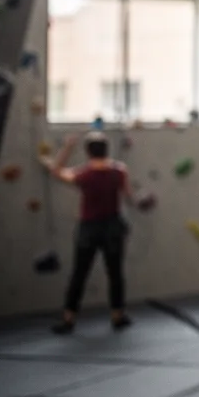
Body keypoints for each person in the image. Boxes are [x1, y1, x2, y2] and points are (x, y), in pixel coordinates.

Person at [39, 131, 133, 334]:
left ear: (88, 152)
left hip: (89, 228)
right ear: (106, 149)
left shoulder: (83, 174)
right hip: (112, 226)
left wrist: (66, 147)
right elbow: (128, 195)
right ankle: (118, 316)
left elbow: (56, 171)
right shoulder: (120, 171)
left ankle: (69, 319)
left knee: (79, 275)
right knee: (115, 274)